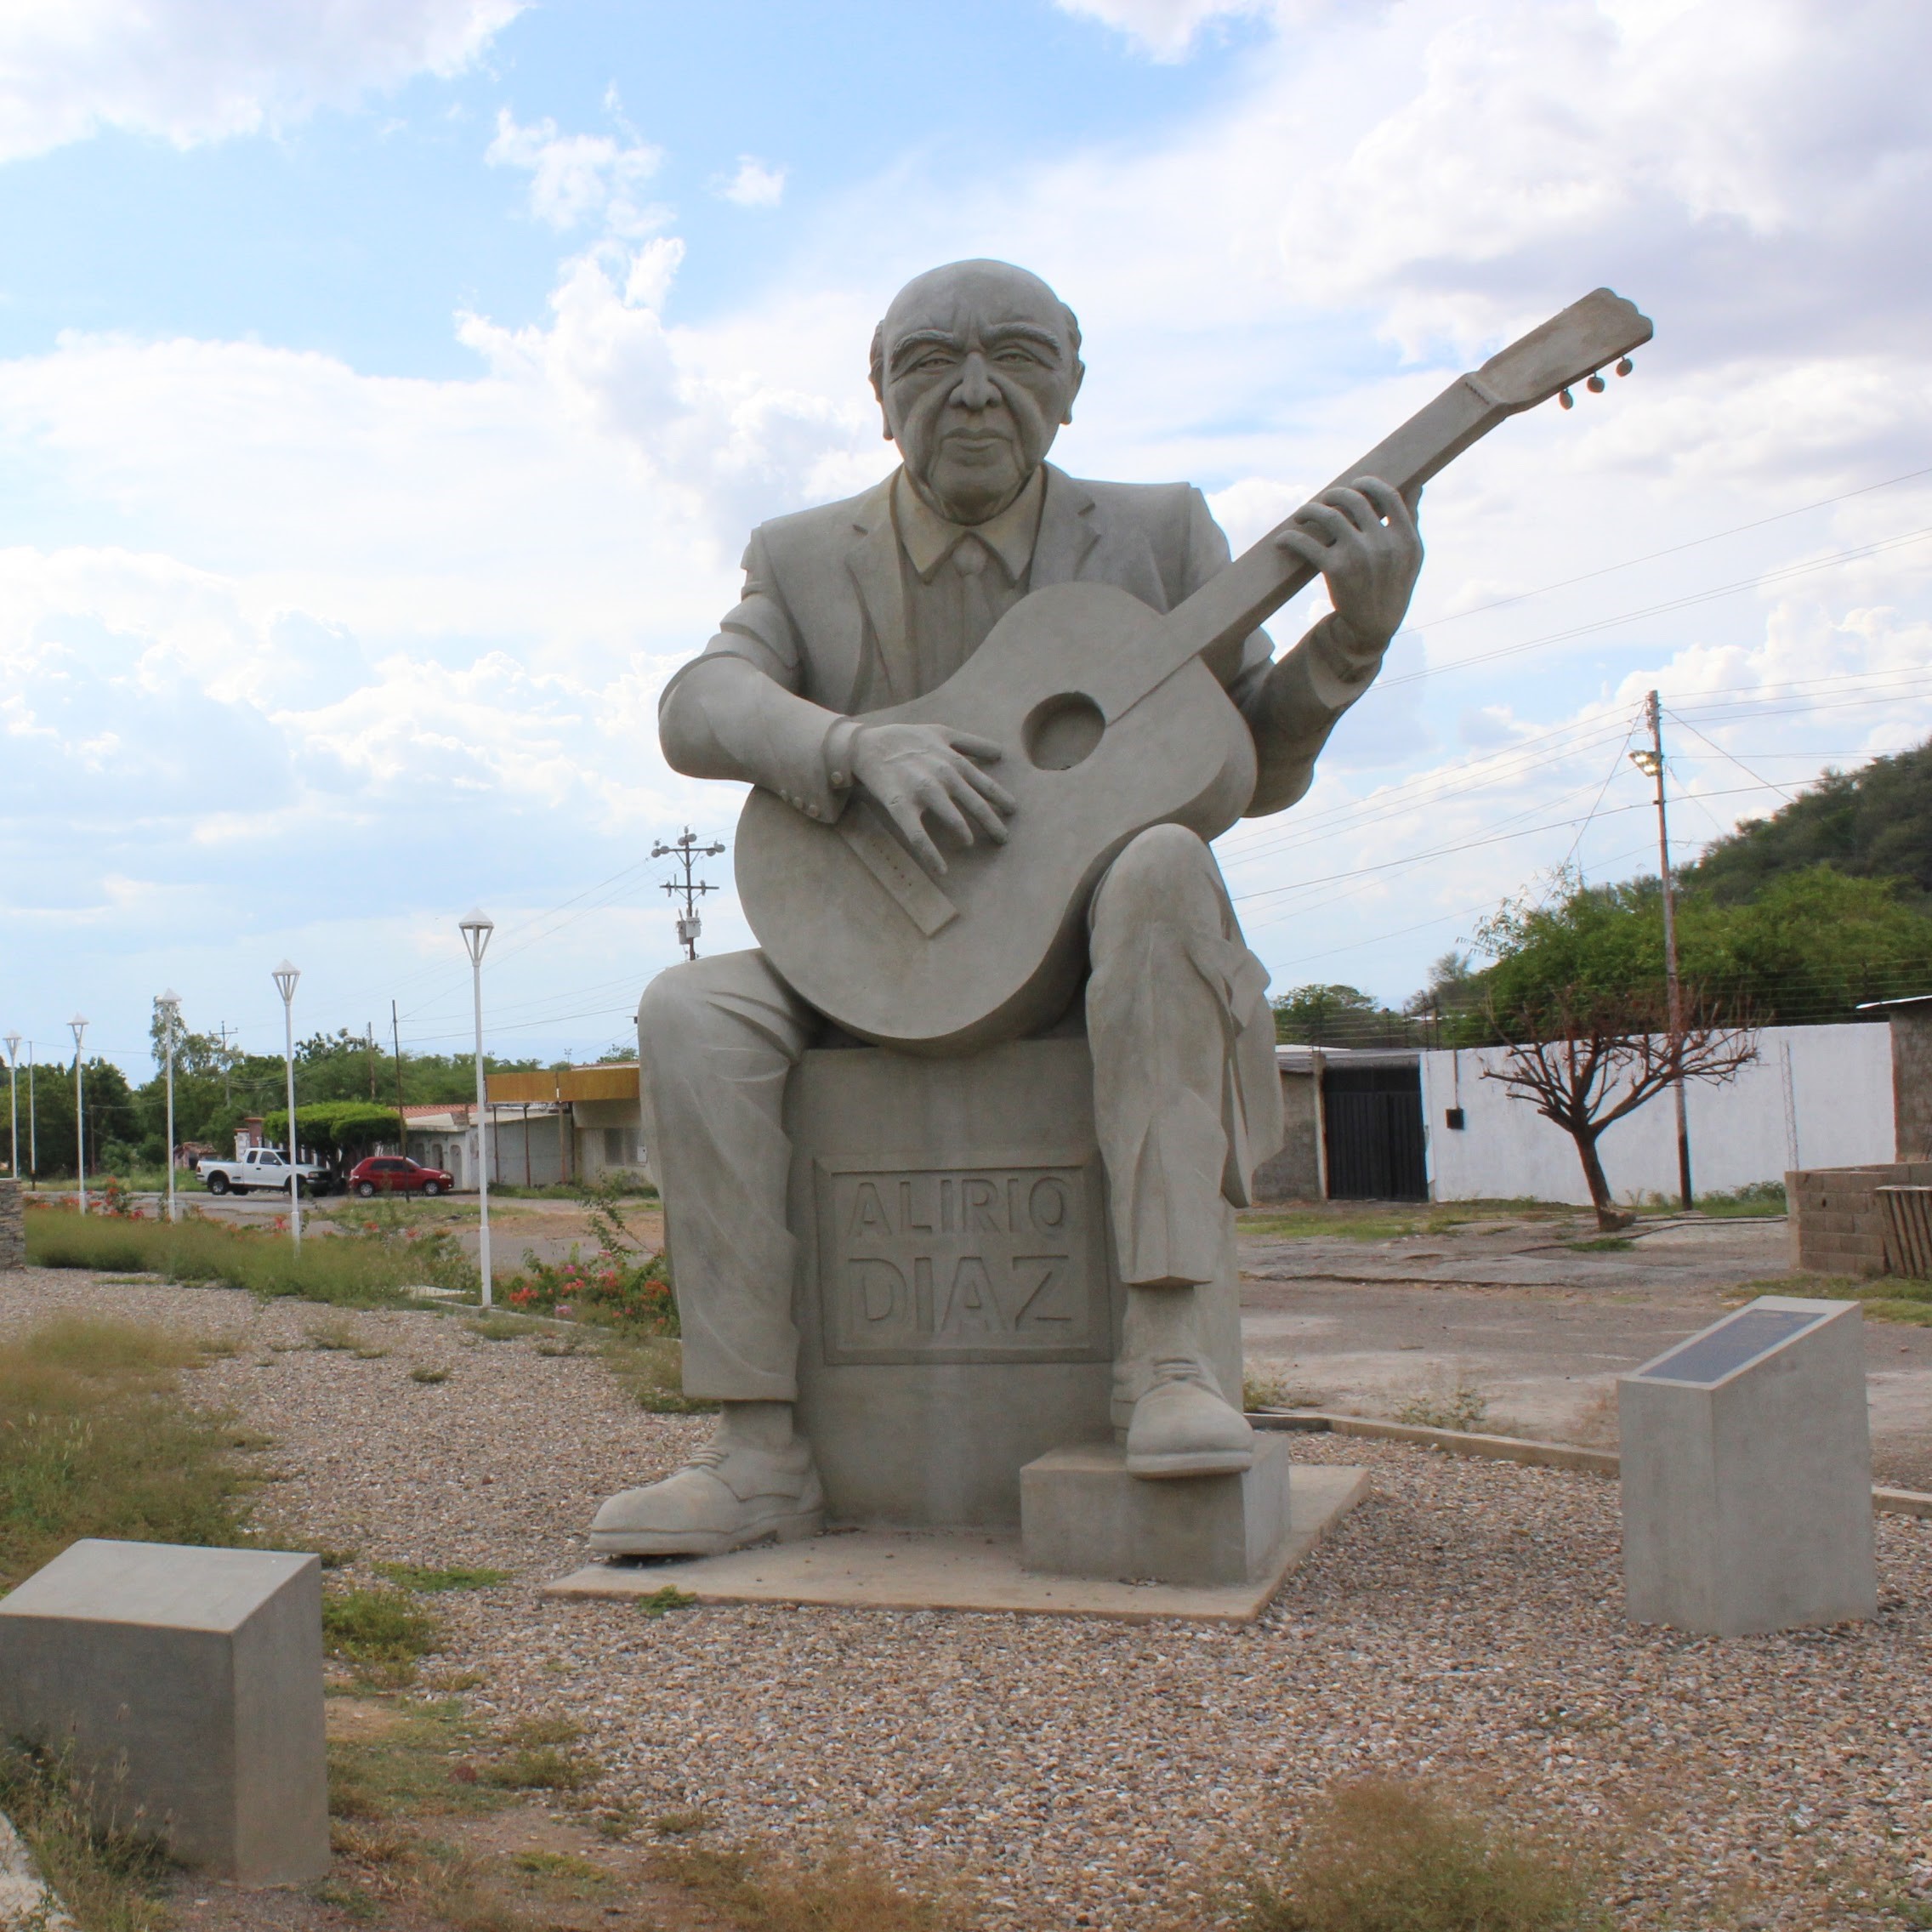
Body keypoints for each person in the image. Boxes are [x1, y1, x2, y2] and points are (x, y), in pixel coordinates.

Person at [591, 259, 1422, 1555]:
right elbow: (700, 705)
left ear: (1072, 385)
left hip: (1092, 943)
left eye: (1019, 356)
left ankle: (1164, 1365)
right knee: (688, 1009)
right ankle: (757, 1453)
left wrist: (1347, 649)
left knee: (1162, 862)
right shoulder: (803, 556)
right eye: (932, 361)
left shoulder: (1158, 535)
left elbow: (1249, 763)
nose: (975, 392)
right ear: (879, 393)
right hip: (865, 948)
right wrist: (854, 749)